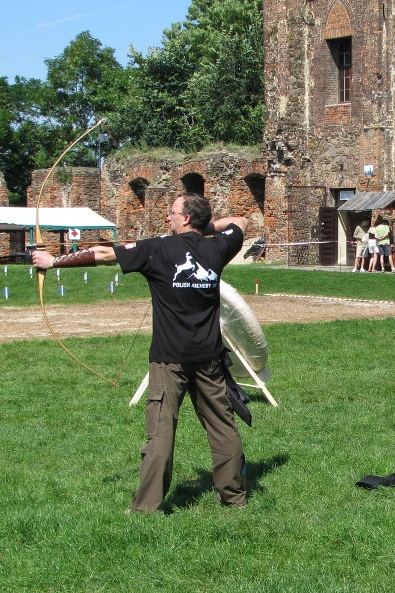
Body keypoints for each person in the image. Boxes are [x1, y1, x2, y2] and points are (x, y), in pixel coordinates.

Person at [31, 192, 250, 513]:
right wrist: (205, 228)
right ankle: (235, 499)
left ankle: (147, 507)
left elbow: (105, 254)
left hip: (168, 357)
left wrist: (54, 261)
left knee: (160, 431)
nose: (167, 217)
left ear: (186, 218)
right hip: (208, 356)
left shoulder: (157, 248)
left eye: (172, 212)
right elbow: (240, 222)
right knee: (222, 425)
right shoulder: (218, 247)